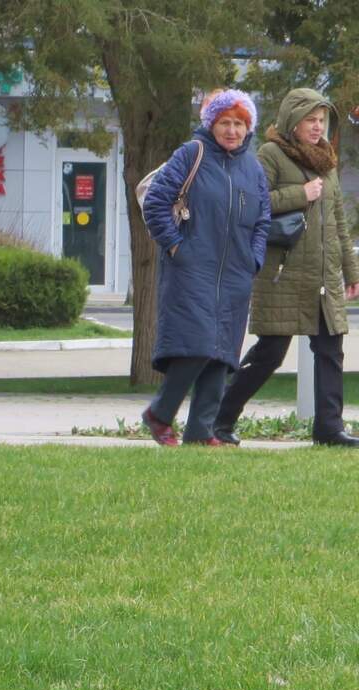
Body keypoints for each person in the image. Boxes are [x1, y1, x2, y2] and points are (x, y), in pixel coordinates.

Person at [213, 88, 359, 447]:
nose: (317, 126)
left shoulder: (327, 159)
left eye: (322, 120)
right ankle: (219, 421)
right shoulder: (270, 154)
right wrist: (300, 194)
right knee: (270, 354)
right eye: (310, 119)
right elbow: (253, 204)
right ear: (293, 120)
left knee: (330, 351)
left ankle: (329, 428)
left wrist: (351, 271)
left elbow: (339, 220)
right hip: (283, 274)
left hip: (323, 277)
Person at [141, 89, 271, 446]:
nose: (232, 131)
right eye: (225, 123)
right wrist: (176, 246)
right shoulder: (191, 154)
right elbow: (155, 202)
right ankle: (159, 414)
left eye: (239, 124)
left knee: (222, 354)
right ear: (211, 124)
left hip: (236, 273)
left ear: (249, 128)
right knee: (197, 345)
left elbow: (263, 219)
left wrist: (253, 259)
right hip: (191, 267)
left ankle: (201, 432)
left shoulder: (253, 169)